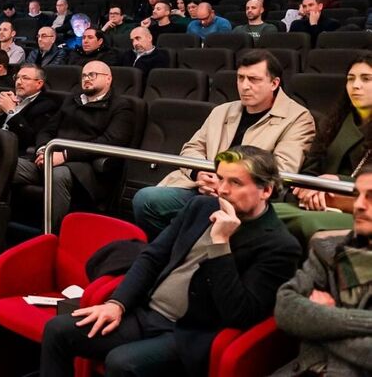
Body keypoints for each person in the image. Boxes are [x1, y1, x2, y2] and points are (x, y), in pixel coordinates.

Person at [40, 146, 301, 377]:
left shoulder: (279, 246)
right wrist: (117, 303)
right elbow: (153, 256)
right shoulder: (201, 206)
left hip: (189, 333)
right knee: (58, 330)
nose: (222, 190)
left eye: (235, 182)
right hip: (146, 313)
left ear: (265, 190)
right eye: (220, 179)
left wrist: (220, 244)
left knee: (121, 363)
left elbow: (239, 313)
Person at [133, 50, 315, 238]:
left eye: (254, 79)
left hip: (245, 199)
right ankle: (183, 253)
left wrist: (226, 181)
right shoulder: (223, 111)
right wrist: (199, 173)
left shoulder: (298, 118)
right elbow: (191, 148)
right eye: (240, 78)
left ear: (274, 83)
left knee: (193, 219)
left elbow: (282, 168)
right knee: (145, 200)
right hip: (202, 190)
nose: (244, 86)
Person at [270, 165, 372, 377]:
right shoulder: (328, 250)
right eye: (356, 196)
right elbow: (285, 309)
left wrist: (320, 324)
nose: (359, 205)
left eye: (370, 197)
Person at [15, 61, 135, 230]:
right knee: (10, 164)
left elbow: (110, 142)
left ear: (108, 79)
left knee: (58, 174)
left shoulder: (121, 106)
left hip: (84, 168)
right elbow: (47, 130)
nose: (86, 79)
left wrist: (64, 155)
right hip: (51, 158)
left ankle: (51, 236)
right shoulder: (72, 100)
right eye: (84, 75)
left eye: (92, 75)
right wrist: (43, 150)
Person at [273, 54, 372, 244]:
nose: (356, 85)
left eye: (366, 79)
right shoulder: (334, 121)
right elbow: (311, 168)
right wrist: (313, 187)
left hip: (359, 207)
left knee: (290, 220)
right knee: (261, 211)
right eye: (351, 79)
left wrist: (334, 182)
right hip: (317, 201)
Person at [0, 64, 59, 154]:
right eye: (17, 78)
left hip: (13, 153)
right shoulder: (10, 98)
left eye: (25, 78)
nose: (18, 82)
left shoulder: (47, 106)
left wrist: (11, 112)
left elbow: (29, 139)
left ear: (39, 84)